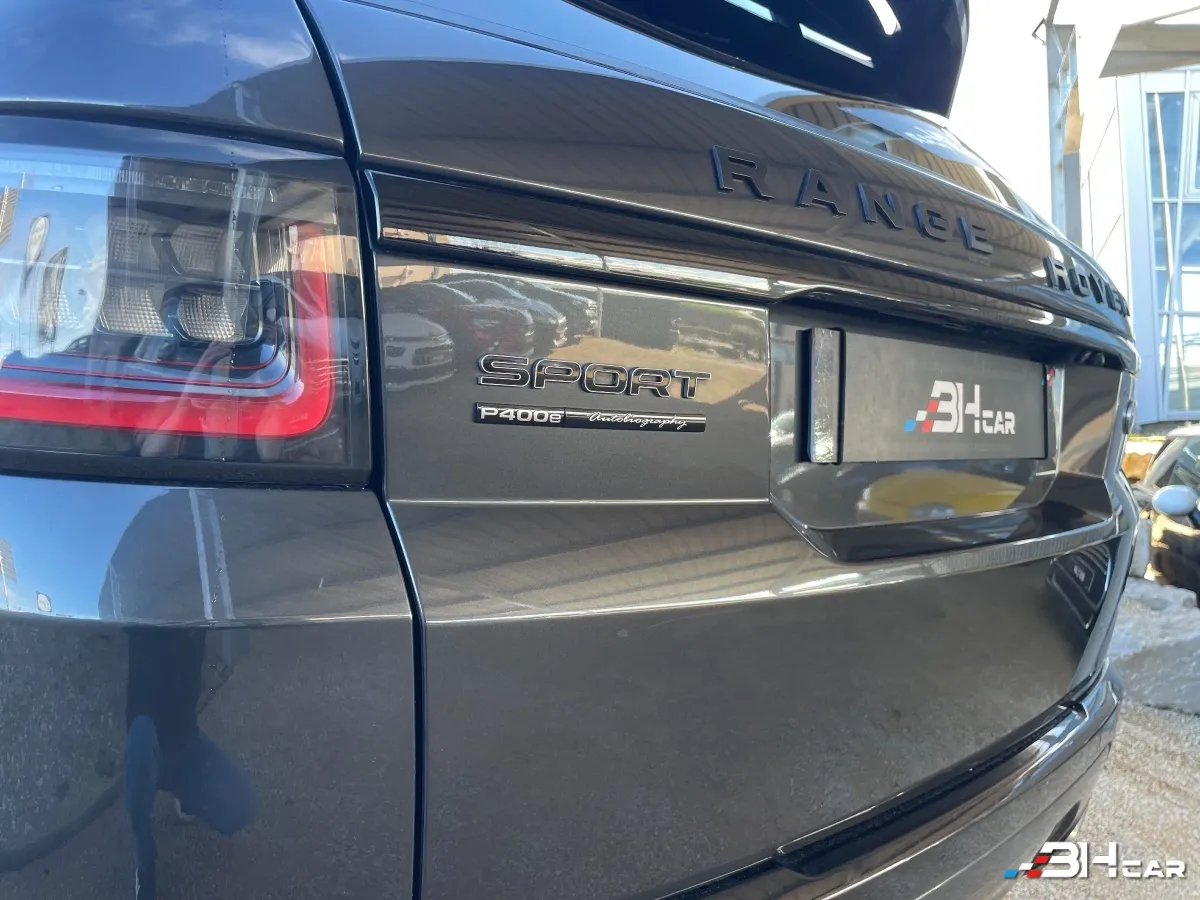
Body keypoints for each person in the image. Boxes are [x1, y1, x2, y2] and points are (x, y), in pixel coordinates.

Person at [123, 628, 256, 900]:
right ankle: (145, 864)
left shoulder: (197, 613)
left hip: (184, 742)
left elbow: (232, 618)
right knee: (141, 739)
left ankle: (186, 797)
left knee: (242, 808)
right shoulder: (141, 617)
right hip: (147, 749)